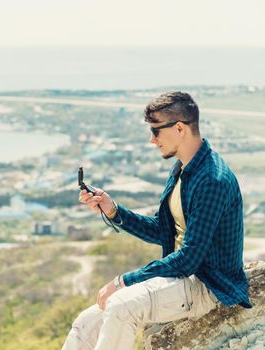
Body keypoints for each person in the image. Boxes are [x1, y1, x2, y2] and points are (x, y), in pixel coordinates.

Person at [62, 91, 251, 350]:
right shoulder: (184, 169)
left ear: (180, 128)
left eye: (156, 131)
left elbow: (188, 259)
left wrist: (123, 281)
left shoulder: (212, 180)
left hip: (208, 285)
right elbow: (164, 231)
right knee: (86, 322)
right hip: (181, 278)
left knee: (121, 305)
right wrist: (114, 210)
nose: (152, 140)